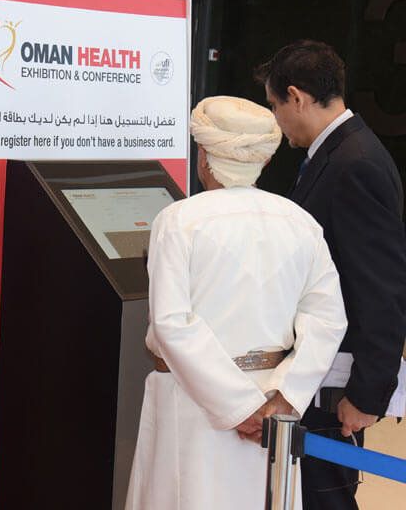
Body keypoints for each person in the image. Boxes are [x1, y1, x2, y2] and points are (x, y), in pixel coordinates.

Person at [125, 96, 347, 510]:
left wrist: (239, 408)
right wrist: (285, 398)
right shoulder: (299, 221)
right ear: (264, 160)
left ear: (203, 156)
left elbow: (172, 323)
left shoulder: (178, 220)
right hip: (273, 412)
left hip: (193, 405)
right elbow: (328, 318)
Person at [255, 40, 406, 510]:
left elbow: (381, 289)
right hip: (319, 375)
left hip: (336, 382)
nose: (277, 120)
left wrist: (367, 394)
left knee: (326, 500)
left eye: (275, 106)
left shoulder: (354, 163)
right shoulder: (337, 153)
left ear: (296, 97)